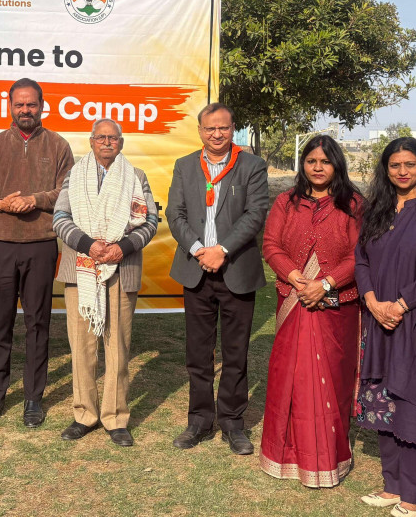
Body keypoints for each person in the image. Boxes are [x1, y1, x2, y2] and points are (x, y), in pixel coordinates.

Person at [0, 78, 74, 427]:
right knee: (0, 323)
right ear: (10, 106)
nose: (25, 110)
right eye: (19, 104)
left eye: (31, 104)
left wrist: (35, 199)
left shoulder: (58, 145)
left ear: (42, 105)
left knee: (37, 324)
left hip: (41, 245)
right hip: (0, 244)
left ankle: (33, 398)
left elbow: (66, 191)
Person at [165, 103, 268, 455]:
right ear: (200, 131)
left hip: (236, 268)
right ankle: (199, 420)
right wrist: (199, 250)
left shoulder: (252, 166)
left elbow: (255, 214)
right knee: (198, 352)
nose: (217, 134)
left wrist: (221, 250)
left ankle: (233, 423)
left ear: (232, 128)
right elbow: (175, 214)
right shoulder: (185, 165)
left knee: (236, 352)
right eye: (210, 128)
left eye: (223, 127)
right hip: (195, 270)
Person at [260, 135, 363, 487]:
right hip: (293, 297)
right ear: (302, 164)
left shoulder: (354, 204)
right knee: (289, 376)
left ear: (337, 165)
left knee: (331, 378)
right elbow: (271, 245)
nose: (318, 167)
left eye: (325, 161)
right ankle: (285, 455)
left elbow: (360, 254)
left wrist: (327, 284)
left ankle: (328, 458)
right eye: (311, 161)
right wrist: (297, 279)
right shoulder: (286, 202)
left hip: (337, 302)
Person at [355, 138, 416, 516]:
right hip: (377, 320)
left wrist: (402, 304)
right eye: (395, 165)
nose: (403, 171)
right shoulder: (375, 208)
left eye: (410, 164)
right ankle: (391, 485)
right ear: (386, 169)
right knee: (383, 400)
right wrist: (372, 301)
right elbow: (361, 259)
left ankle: (414, 495)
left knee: (413, 402)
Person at [53, 118, 158, 447]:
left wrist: (121, 247)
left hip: (121, 269)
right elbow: (60, 218)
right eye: (101, 137)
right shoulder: (74, 175)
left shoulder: (136, 176)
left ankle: (115, 417)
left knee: (118, 348)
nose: (107, 142)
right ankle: (84, 414)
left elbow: (150, 221)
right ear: (92, 141)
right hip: (81, 270)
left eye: (113, 138)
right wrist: (89, 245)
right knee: (81, 347)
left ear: (121, 143)